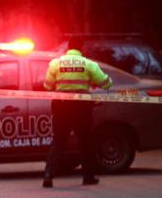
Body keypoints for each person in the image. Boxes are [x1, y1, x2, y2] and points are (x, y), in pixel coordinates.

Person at [42, 37, 113, 188]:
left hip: (61, 106)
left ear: (68, 47)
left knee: (59, 140)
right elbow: (107, 84)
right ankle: (88, 176)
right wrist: (91, 82)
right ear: (82, 48)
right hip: (81, 107)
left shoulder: (55, 63)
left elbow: (47, 86)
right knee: (86, 141)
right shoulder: (89, 64)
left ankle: (48, 175)